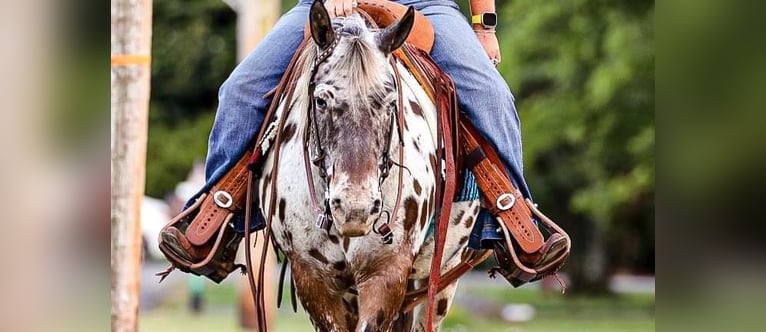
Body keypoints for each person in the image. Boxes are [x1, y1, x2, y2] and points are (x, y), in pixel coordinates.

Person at [162, 0, 567, 282]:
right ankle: (216, 222)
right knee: (240, 91)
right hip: (326, 4)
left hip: (425, 6)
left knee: (491, 95)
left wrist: (485, 25)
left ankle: (514, 223)